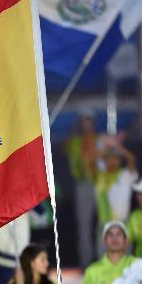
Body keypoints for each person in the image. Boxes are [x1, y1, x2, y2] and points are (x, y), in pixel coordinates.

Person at [64, 112, 102, 267]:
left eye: (89, 123)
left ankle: (102, 259)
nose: (87, 127)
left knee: (103, 222)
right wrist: (74, 127)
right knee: (84, 225)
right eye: (84, 124)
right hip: (82, 184)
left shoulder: (99, 140)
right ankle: (86, 262)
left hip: (100, 184)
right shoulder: (75, 142)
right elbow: (64, 147)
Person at [94, 143, 137, 230]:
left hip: (122, 222)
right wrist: (105, 149)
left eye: (115, 159)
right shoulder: (99, 175)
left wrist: (118, 147)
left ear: (120, 161)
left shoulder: (125, 175)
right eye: (109, 159)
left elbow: (131, 159)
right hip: (103, 223)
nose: (112, 161)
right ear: (104, 161)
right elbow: (91, 161)